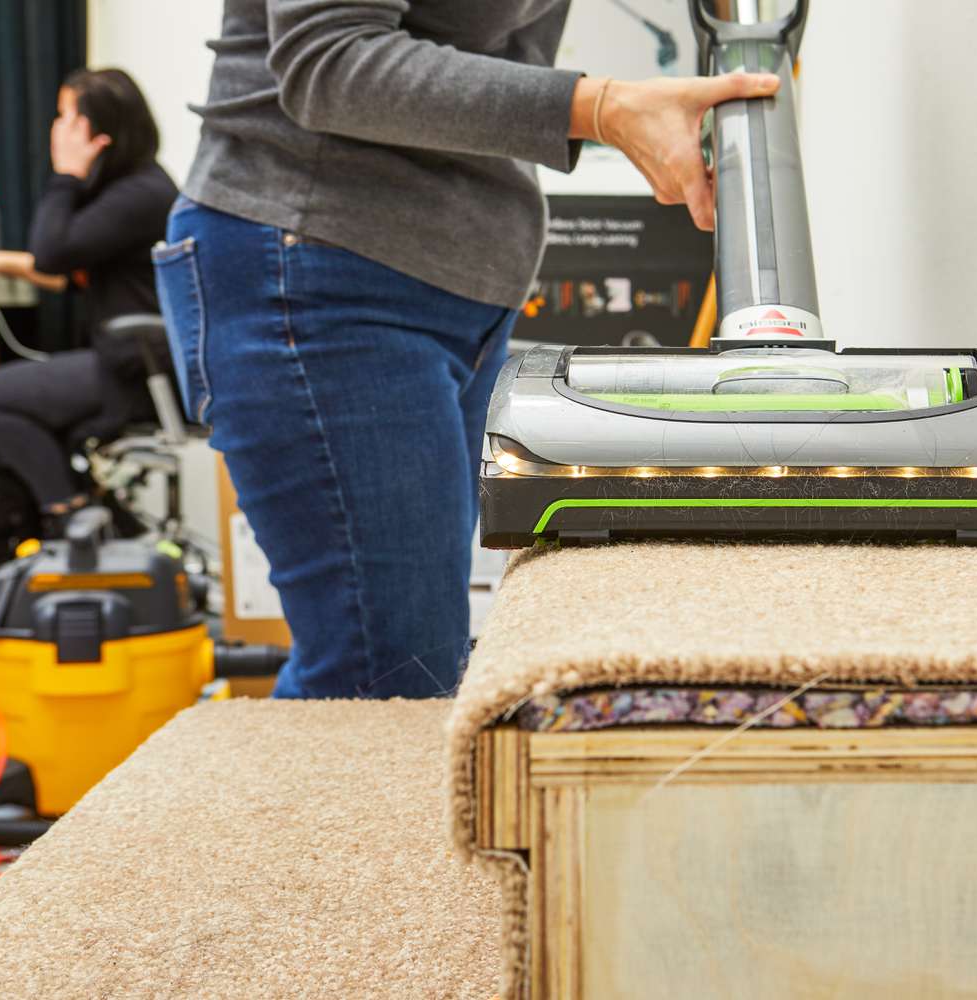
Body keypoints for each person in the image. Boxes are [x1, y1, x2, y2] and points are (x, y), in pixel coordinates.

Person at [162, 1, 777, 700]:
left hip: (453, 288)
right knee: (381, 677)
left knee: (415, 662)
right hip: (319, 260)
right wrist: (604, 108)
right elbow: (327, 62)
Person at [0, 68, 176, 534]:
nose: (56, 130)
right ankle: (92, 522)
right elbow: (65, 270)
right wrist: (1, 262)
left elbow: (52, 255)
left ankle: (73, 520)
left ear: (99, 132)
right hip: (132, 361)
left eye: (65, 118)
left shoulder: (142, 194)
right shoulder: (138, 189)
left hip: (138, 370)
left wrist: (65, 175)